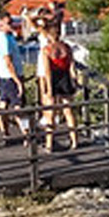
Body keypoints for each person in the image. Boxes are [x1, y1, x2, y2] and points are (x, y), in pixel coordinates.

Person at [38, 23, 80, 151]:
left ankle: (49, 144)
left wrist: (49, 89)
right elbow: (72, 66)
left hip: (54, 79)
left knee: (50, 113)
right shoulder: (66, 48)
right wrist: (75, 80)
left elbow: (47, 71)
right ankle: (74, 141)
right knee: (68, 111)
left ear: (48, 35)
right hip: (65, 77)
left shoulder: (47, 50)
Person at [0, 12, 25, 138]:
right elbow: (8, 61)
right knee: (18, 106)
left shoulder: (9, 36)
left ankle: (5, 132)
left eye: (11, 22)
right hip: (10, 76)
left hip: (6, 76)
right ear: (0, 25)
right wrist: (17, 80)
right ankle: (27, 134)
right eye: (8, 23)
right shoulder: (3, 40)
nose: (11, 25)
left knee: (4, 103)